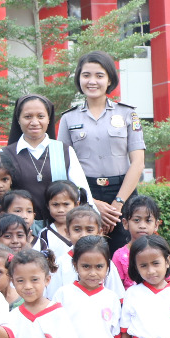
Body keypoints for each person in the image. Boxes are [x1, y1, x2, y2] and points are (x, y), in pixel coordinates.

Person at [56, 51, 145, 248]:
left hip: (123, 192)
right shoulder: (68, 118)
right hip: (84, 193)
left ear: (110, 79)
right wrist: (92, 202)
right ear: (79, 78)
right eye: (86, 75)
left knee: (127, 254)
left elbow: (138, 162)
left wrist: (118, 204)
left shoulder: (128, 113)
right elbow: (63, 165)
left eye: (99, 75)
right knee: (88, 253)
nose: (92, 81)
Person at [1, 94, 89, 225]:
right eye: (27, 117)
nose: (35, 122)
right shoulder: (5, 154)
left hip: (61, 228)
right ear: (18, 119)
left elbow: (82, 191)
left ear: (48, 119)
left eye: (40, 116)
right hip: (20, 229)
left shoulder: (64, 151)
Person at [112, 196, 170, 288]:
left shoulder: (162, 250)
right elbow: (116, 287)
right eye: (136, 220)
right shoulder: (119, 256)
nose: (142, 226)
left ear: (156, 225)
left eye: (148, 220)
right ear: (125, 223)